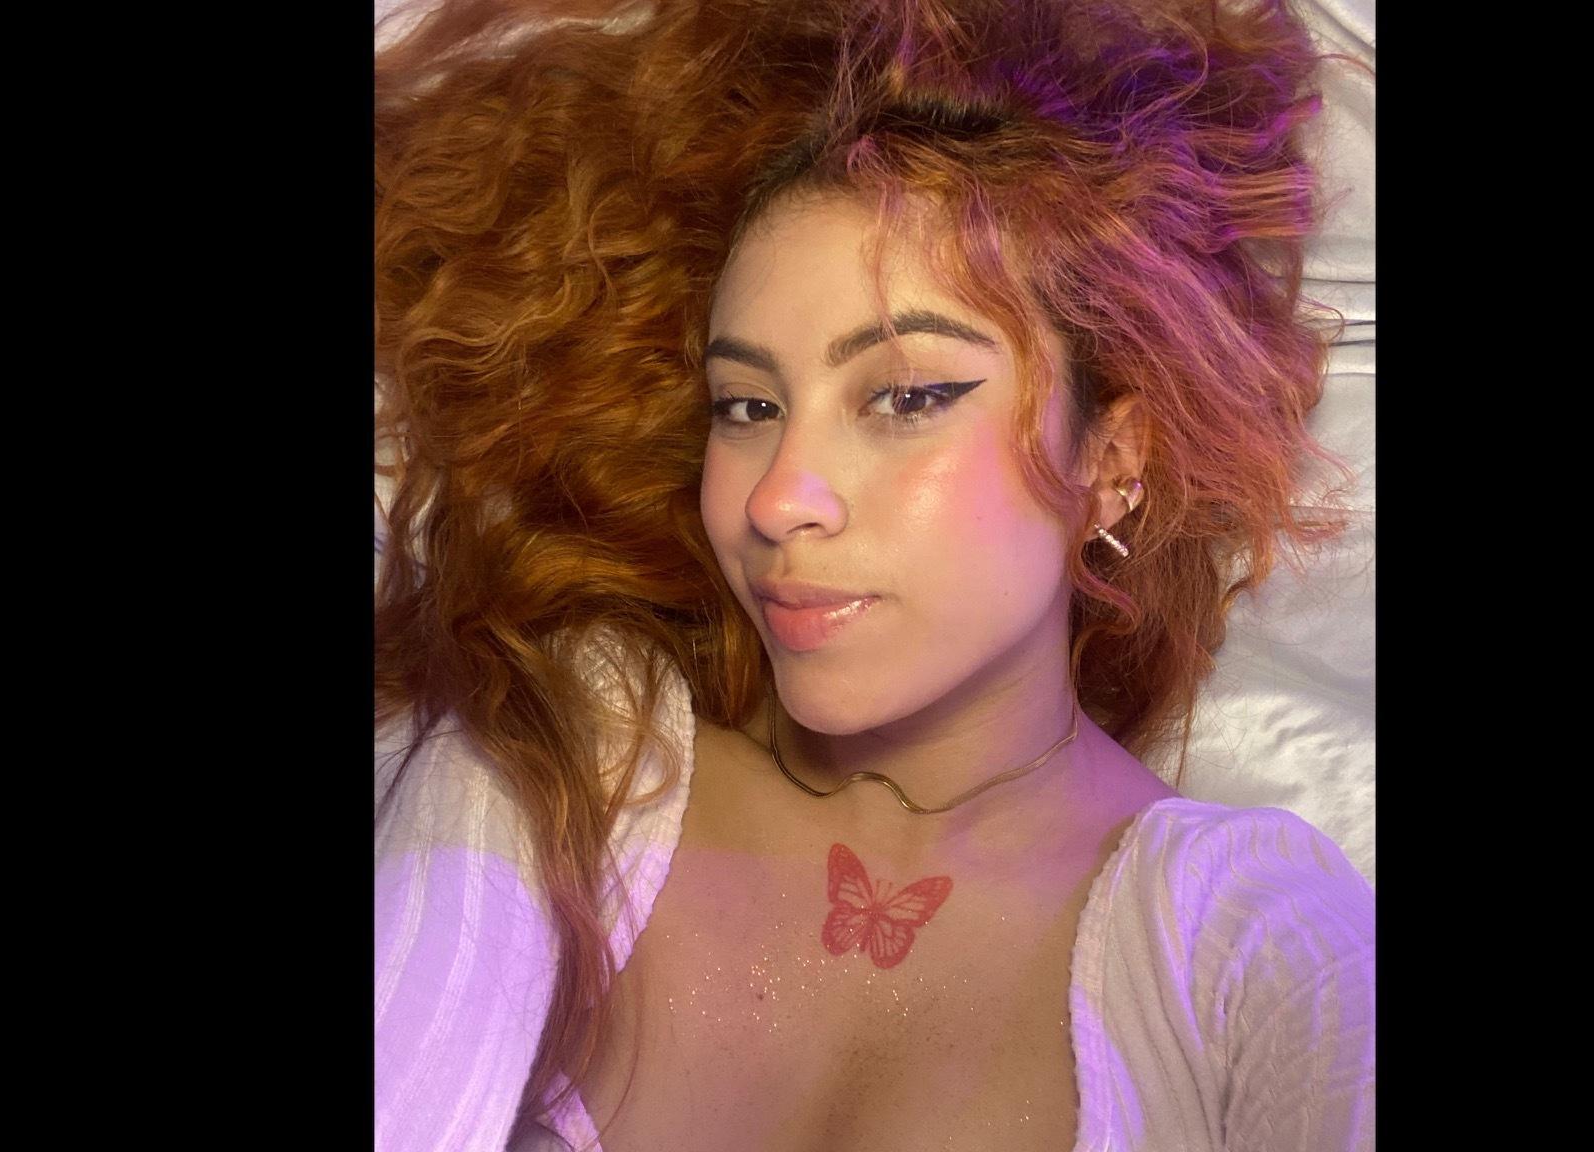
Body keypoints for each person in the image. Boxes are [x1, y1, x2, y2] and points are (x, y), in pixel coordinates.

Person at [374, 1, 1375, 1149]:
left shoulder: (1254, 939)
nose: (775, 498)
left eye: (903, 396)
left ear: (1107, 463)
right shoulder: (573, 758)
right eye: (745, 406)